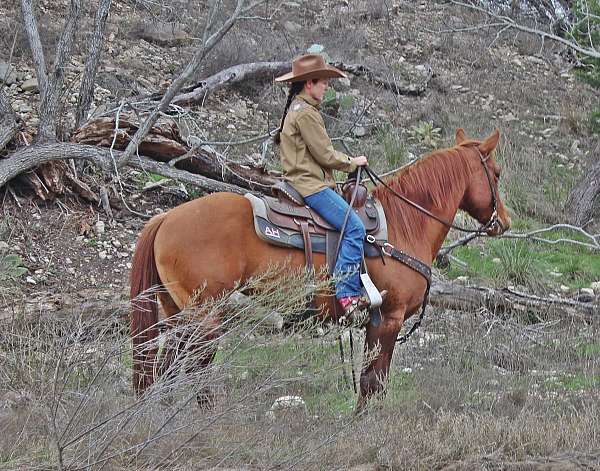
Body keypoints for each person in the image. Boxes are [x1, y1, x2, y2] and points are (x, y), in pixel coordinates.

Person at [274, 53, 371, 321]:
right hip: (311, 187)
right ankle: (347, 293)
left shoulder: (298, 109)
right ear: (309, 84)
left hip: (300, 182)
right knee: (355, 228)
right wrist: (354, 162)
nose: (326, 86)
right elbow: (325, 155)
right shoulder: (306, 113)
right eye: (323, 82)